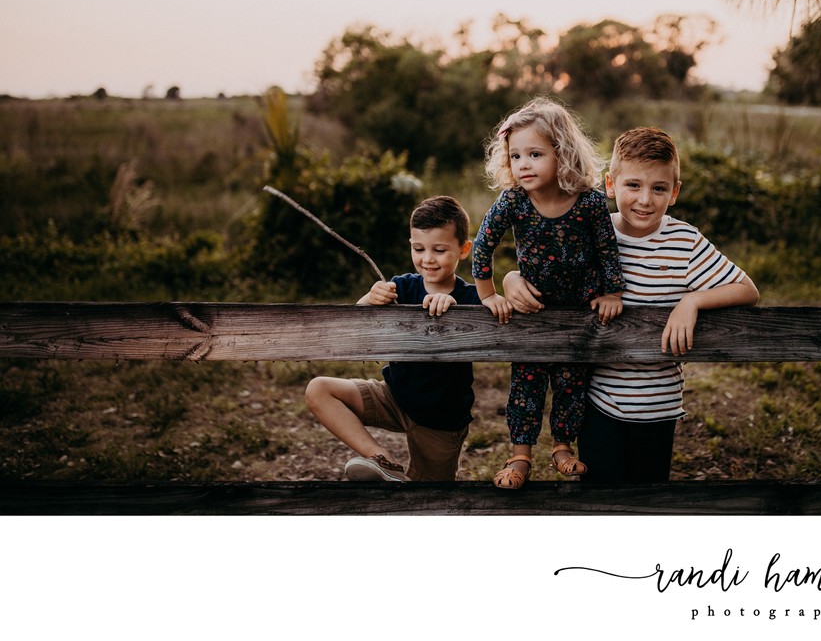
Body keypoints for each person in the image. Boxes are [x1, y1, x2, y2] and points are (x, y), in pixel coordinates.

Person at [502, 126, 759, 484]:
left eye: (659, 188)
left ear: (674, 193)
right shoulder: (591, 230)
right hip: (598, 401)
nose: (645, 200)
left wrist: (692, 301)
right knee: (601, 497)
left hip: (660, 405)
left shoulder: (684, 241)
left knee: (647, 499)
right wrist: (512, 278)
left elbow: (747, 289)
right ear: (611, 185)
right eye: (633, 185)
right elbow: (549, 274)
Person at [472, 97, 625, 489]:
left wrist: (611, 292)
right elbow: (482, 246)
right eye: (516, 155)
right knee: (526, 384)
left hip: (578, 313)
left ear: (563, 153)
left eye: (535, 153)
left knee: (572, 382)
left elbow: (608, 248)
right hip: (532, 313)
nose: (523, 164)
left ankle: (562, 446)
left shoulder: (589, 202)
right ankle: (520, 455)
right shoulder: (513, 202)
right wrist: (489, 294)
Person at [305, 195, 481, 482]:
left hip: (441, 420)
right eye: (418, 248)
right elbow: (354, 324)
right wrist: (370, 298)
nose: (427, 259)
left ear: (463, 249)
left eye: (439, 250)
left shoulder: (472, 296)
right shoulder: (400, 286)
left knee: (427, 502)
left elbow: (496, 322)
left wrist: (456, 310)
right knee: (319, 389)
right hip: (395, 396)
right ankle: (382, 459)